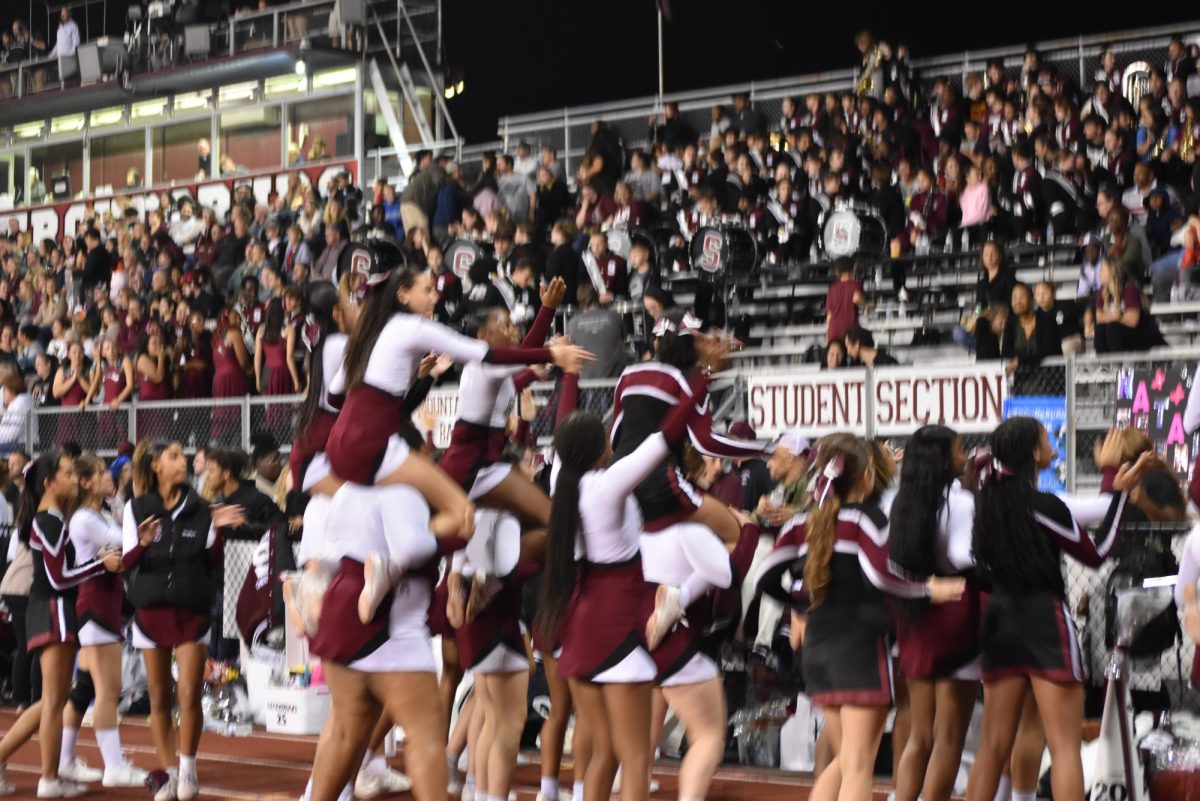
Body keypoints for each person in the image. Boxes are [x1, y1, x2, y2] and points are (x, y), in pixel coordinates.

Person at [755, 434, 964, 801]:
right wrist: (929, 588)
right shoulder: (866, 520)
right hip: (859, 651)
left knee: (846, 761)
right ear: (867, 476)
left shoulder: (801, 523)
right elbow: (881, 574)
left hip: (818, 651)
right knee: (857, 767)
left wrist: (802, 604)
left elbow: (765, 578)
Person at [538, 368, 709, 801]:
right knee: (635, 758)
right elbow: (664, 439)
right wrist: (703, 382)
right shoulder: (607, 484)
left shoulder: (562, 481)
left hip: (576, 622)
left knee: (603, 755)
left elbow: (563, 429)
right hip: (615, 623)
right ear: (599, 448)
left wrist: (571, 378)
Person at [964, 422, 1151, 801]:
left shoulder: (986, 503)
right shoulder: (1043, 506)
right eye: (1047, 439)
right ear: (1034, 453)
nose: (1053, 444)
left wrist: (1113, 486)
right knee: (1064, 746)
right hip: (1043, 623)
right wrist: (1122, 495)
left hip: (998, 624)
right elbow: (1098, 554)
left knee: (993, 746)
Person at [121, 440, 243, 801]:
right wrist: (142, 543)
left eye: (183, 456)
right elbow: (128, 563)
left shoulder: (203, 508)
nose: (183, 461)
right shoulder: (136, 507)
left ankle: (188, 769)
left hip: (191, 611)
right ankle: (169, 774)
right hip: (151, 612)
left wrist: (217, 532)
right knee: (159, 698)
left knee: (189, 693)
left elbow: (212, 561)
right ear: (156, 466)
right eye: (173, 456)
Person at [0, 450, 121, 797]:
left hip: (55, 608)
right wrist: (101, 565)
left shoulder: (52, 518)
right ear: (50, 482)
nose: (74, 479)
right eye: (67, 474)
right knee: (54, 701)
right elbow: (58, 578)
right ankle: (49, 779)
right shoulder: (48, 521)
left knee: (52, 700)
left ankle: (40, 771)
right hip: (51, 607)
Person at [888, 427, 978, 801]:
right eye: (960, 449)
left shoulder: (902, 502)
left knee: (919, 735)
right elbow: (961, 557)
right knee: (950, 737)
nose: (966, 454)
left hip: (915, 615)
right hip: (955, 612)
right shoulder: (961, 503)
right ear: (943, 460)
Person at [62, 454, 147, 788]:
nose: (108, 476)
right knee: (108, 689)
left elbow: (122, 545)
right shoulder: (84, 518)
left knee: (83, 690)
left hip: (105, 603)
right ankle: (114, 766)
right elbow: (125, 544)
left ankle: (66, 760)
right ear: (85, 482)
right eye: (100, 473)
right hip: (95, 604)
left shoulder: (98, 513)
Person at [1094, 258, 1166, 353]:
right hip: (1126, 334)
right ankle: (1103, 365)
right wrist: (1117, 316)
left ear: (1113, 272)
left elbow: (1132, 321)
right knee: (1100, 329)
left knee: (1112, 328)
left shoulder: (1129, 289)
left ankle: (1119, 364)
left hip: (1145, 335)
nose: (1100, 273)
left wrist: (1114, 317)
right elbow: (1099, 318)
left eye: (1102, 270)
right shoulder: (1102, 291)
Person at [565, 284, 630, 380]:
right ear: (597, 297)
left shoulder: (573, 323)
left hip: (586, 385)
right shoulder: (614, 316)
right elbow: (624, 343)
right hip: (614, 382)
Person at [825, 258, 864, 344]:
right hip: (850, 332)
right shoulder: (856, 285)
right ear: (853, 268)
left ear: (837, 270)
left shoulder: (832, 288)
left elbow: (829, 315)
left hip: (833, 331)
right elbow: (858, 300)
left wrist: (827, 336)